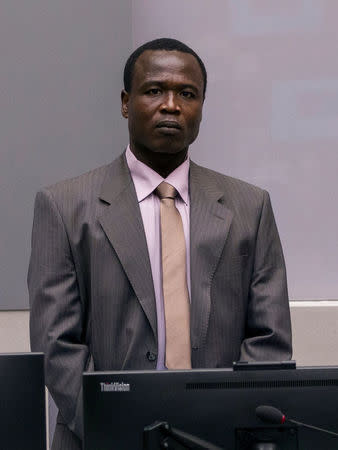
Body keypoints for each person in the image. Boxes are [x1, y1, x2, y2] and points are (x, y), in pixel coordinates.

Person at [28, 38, 292, 450]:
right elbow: (56, 346)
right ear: (125, 102)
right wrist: (120, 431)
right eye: (154, 91)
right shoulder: (63, 206)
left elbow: (269, 342)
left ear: (202, 107)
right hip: (99, 439)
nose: (171, 105)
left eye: (187, 94)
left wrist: (217, 431)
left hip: (217, 441)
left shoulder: (250, 207)